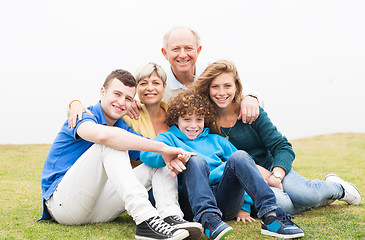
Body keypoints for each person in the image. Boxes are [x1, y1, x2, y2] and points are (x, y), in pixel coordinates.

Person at [39, 69, 201, 240]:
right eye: (117, 94)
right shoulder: (83, 115)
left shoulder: (122, 127)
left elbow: (148, 151)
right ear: (103, 92)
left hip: (98, 208)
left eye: (128, 98)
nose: (121, 102)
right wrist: (162, 147)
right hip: (63, 205)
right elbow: (103, 136)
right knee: (110, 144)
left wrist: (168, 154)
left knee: (158, 160)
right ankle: (146, 219)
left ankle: (171, 216)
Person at [192, 59, 362, 217]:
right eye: (215, 87)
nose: (222, 92)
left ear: (236, 86)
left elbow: (282, 146)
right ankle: (312, 202)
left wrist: (276, 175)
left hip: (272, 167)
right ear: (207, 88)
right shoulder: (202, 122)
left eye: (227, 86)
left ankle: (337, 187)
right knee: (284, 205)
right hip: (244, 181)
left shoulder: (250, 112)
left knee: (304, 193)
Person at [140, 90, 305, 239]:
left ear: (205, 119)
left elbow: (244, 170)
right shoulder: (168, 139)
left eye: (199, 119)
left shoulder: (217, 140)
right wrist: (170, 154)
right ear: (176, 119)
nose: (193, 125)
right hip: (192, 204)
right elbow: (145, 154)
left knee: (240, 156)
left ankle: (272, 216)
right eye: (187, 119)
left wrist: (245, 205)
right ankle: (208, 220)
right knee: (195, 160)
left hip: (224, 199)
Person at [68, 27, 261, 128]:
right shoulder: (160, 82)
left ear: (199, 50)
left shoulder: (212, 71)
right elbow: (118, 93)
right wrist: (75, 103)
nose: (182, 54)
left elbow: (238, 86)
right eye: (176, 49)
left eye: (188, 48)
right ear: (164, 52)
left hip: (216, 134)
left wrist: (251, 97)